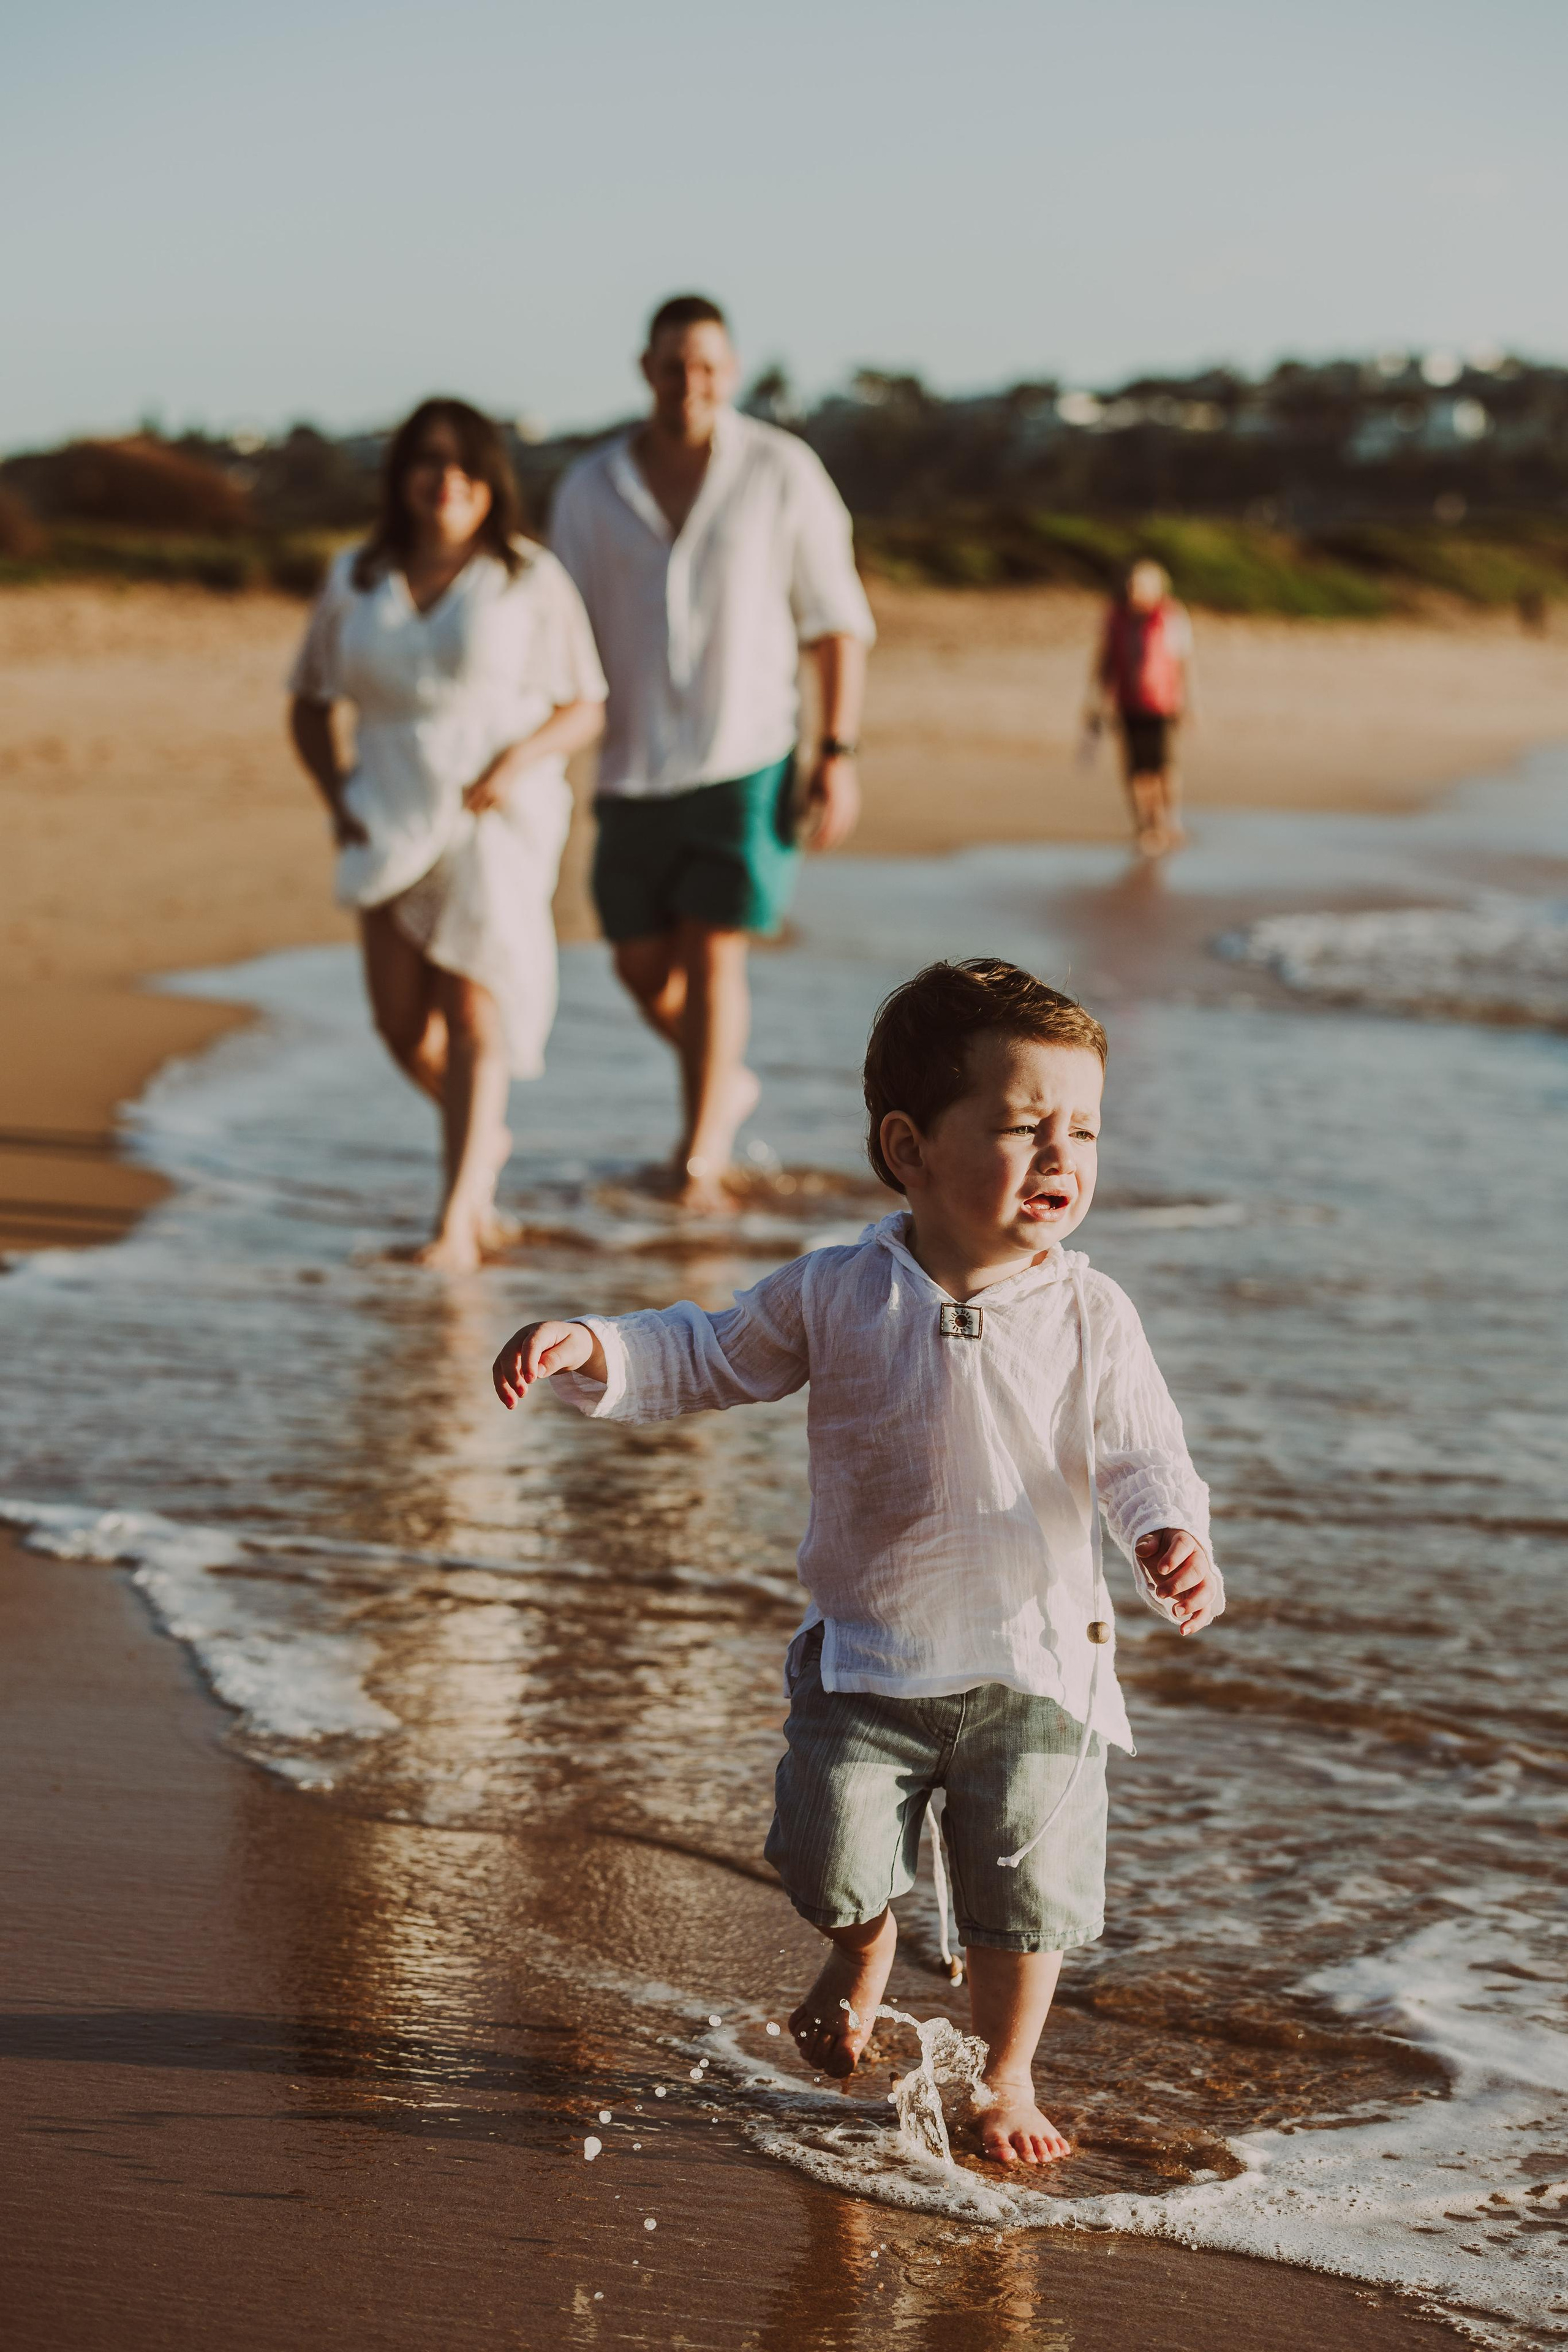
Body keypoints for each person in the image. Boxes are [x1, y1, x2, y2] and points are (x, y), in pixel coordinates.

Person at [491, 958, 1222, 2166]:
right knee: (824, 1852)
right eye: (1022, 1125)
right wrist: (593, 1347)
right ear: (909, 1146)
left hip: (1038, 1668)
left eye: (1082, 1130)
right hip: (866, 1660)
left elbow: (1143, 1450)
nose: (1061, 1158)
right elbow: (706, 1352)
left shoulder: (1091, 1313)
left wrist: (1169, 1536)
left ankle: (1004, 2077)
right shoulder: (838, 1291)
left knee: (1019, 1904)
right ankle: (863, 1944)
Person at [552, 295, 876, 1212]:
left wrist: (836, 750)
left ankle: (699, 1159)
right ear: (643, 370)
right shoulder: (588, 488)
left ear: (729, 374)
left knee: (714, 951)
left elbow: (835, 621)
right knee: (638, 963)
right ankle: (721, 1078)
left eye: (705, 367)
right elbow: (556, 631)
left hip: (750, 754)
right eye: (670, 366)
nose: (687, 383)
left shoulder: (783, 472)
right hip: (630, 763)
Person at [287, 398, 606, 1270]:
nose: (446, 480)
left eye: (466, 464)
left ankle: (458, 1219)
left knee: (472, 1004)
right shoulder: (356, 575)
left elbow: (583, 702)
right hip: (386, 808)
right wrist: (335, 796)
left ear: (490, 480)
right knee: (399, 1023)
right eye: (428, 462)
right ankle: (482, 1138)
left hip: (496, 816)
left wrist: (516, 762)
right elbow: (310, 701)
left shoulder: (527, 577)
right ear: (402, 476)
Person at [1087, 559, 1196, 859]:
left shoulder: (1171, 617)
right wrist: (1095, 698)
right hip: (1127, 701)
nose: (1135, 591)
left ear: (1159, 588)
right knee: (1135, 768)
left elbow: (1183, 662)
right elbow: (1104, 659)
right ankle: (1146, 826)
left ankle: (1169, 820)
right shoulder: (1115, 617)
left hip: (1162, 702)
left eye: (1143, 585)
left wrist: (1186, 704)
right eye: (1133, 584)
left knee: (1162, 766)